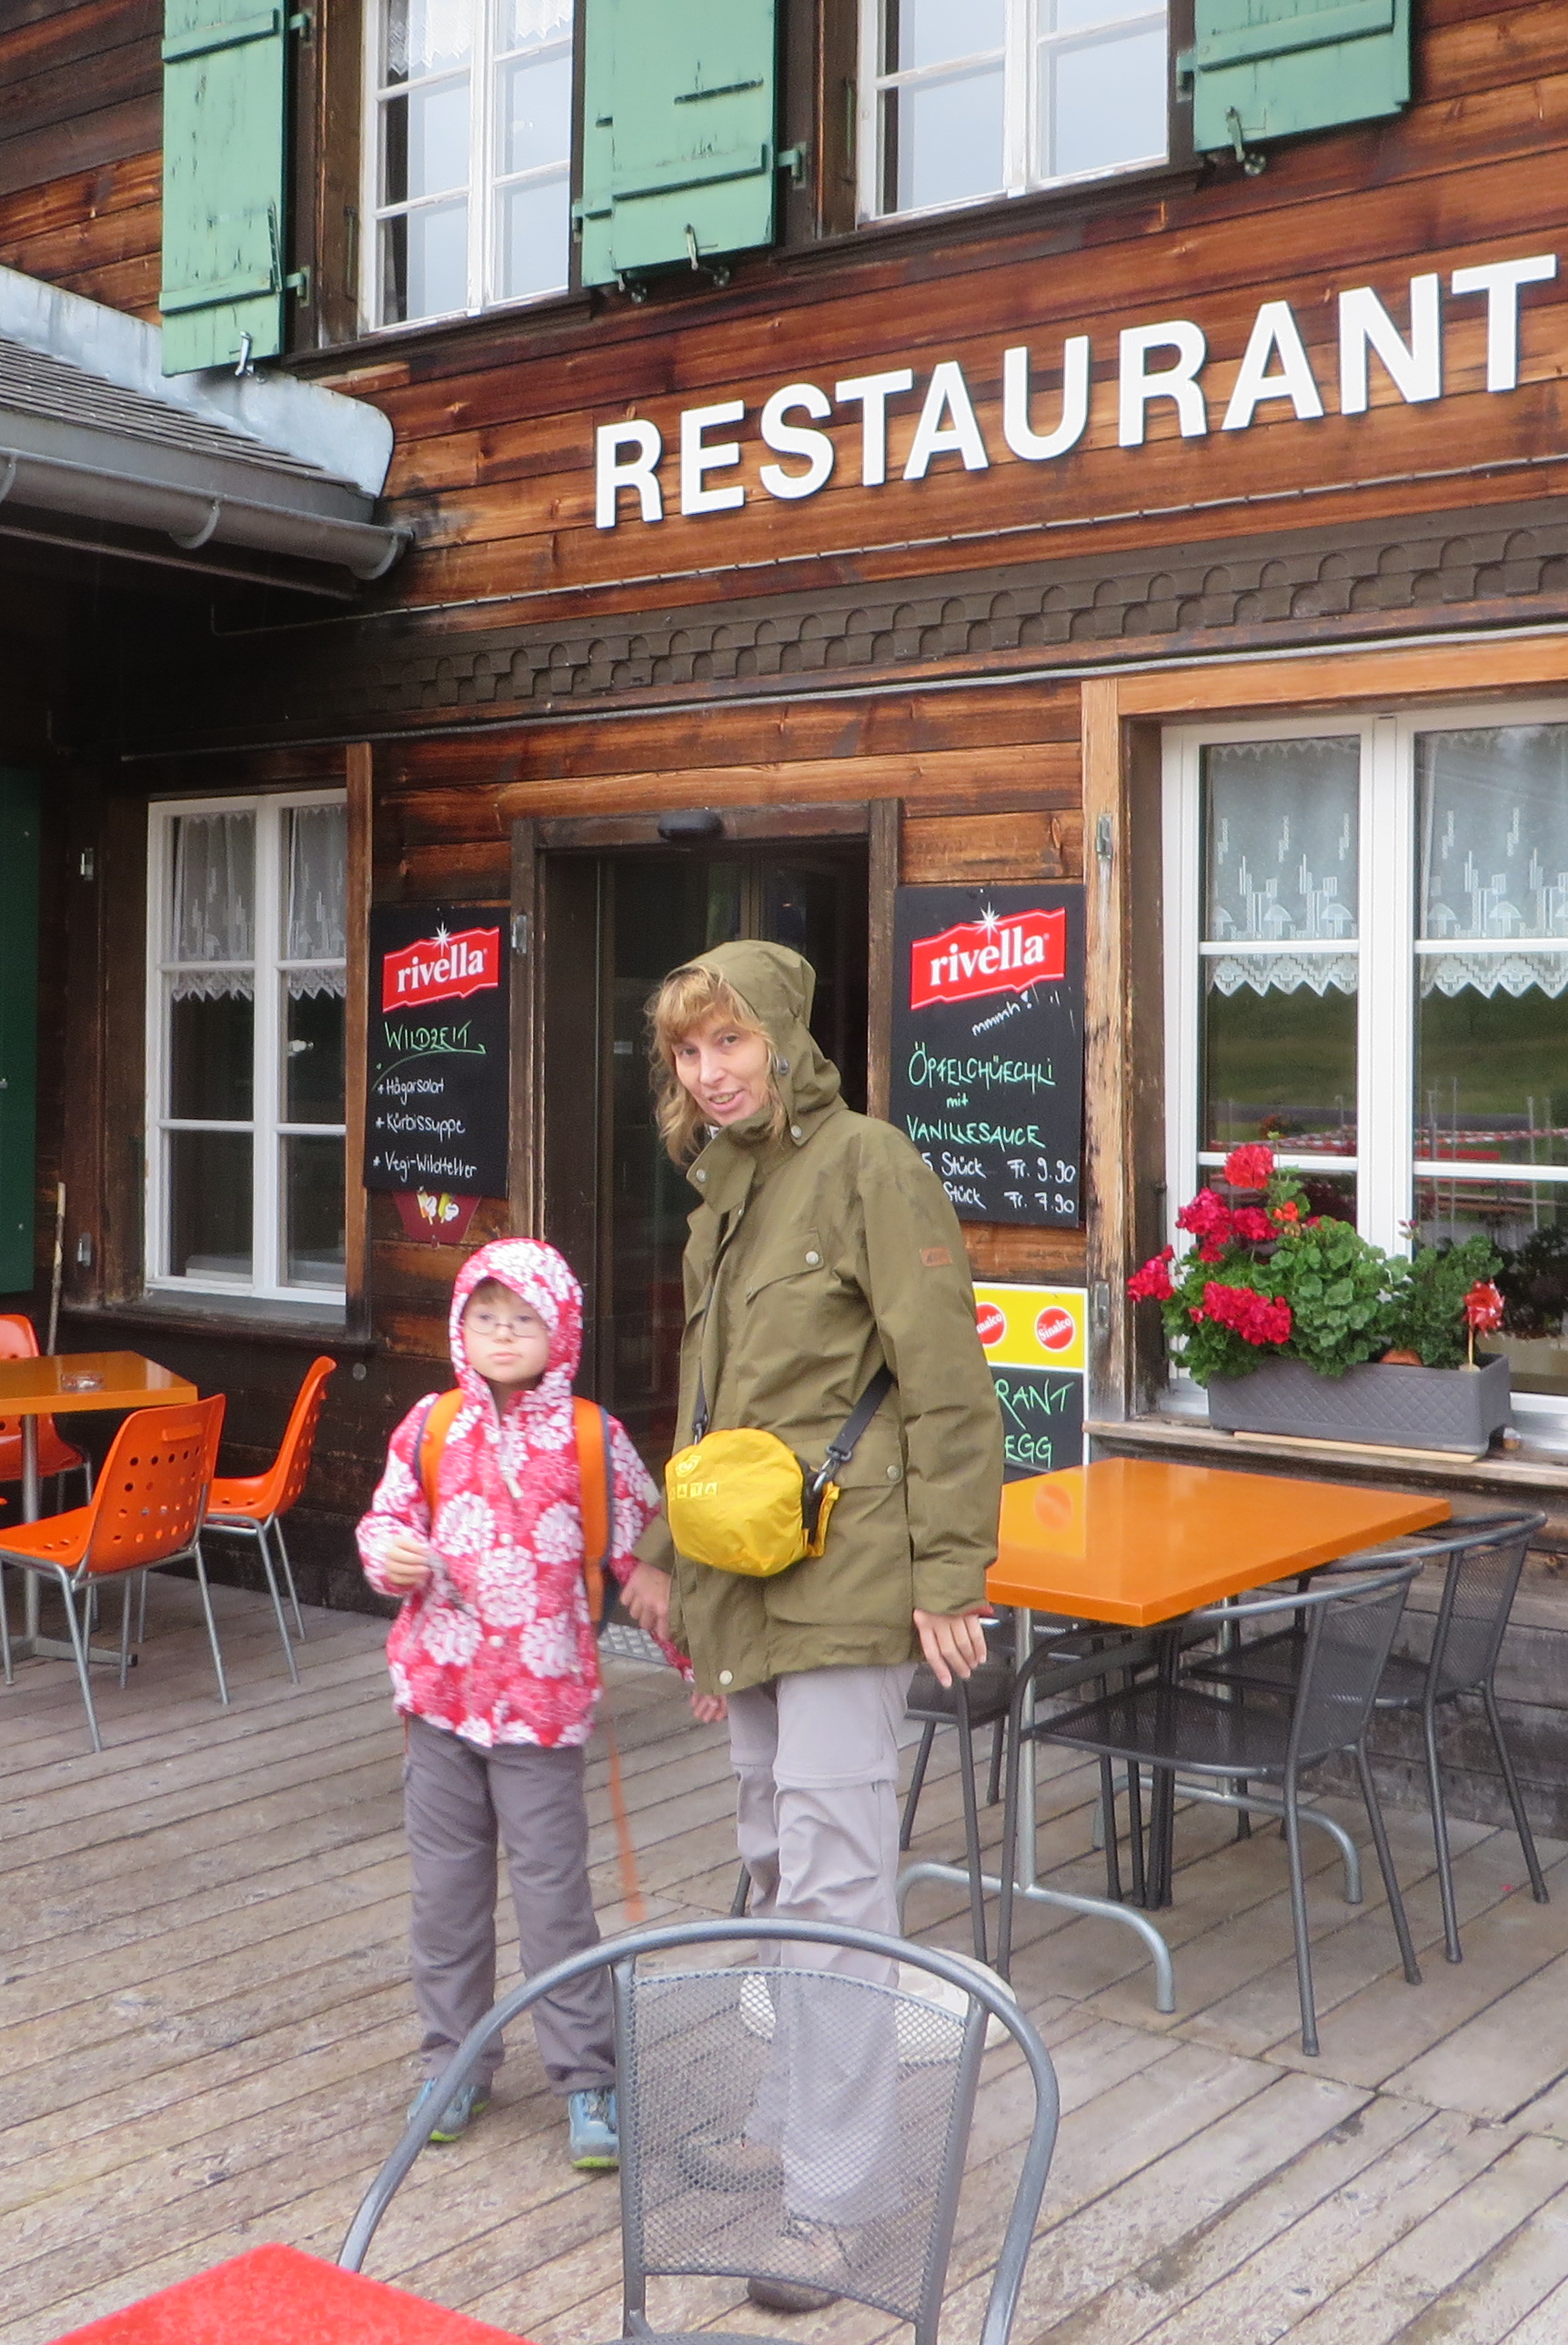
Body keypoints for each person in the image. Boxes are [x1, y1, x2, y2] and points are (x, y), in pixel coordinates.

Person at [618, 940, 1004, 2313]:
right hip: (744, 1575)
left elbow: (948, 1381)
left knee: (839, 1891)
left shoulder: (868, 1164)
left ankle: (835, 2203)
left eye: (730, 1042)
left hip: (850, 1580)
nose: (710, 1072)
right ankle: (786, 2118)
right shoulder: (724, 1189)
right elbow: (709, 1406)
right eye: (688, 1051)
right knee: (773, 1859)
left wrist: (950, 1574)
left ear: (785, 1037)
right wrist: (664, 1558)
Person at [356, 1236, 661, 2176]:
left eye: (522, 1319)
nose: (500, 1334)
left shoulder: (592, 1437)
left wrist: (704, 1664)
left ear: (560, 1329)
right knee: (444, 1903)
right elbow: (385, 1521)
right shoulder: (430, 1424)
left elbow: (648, 1559)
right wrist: (389, 1557)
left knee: (554, 1902)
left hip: (542, 1712)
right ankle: (453, 2065)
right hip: (438, 1700)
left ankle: (587, 2078)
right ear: (460, 1326)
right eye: (484, 1317)